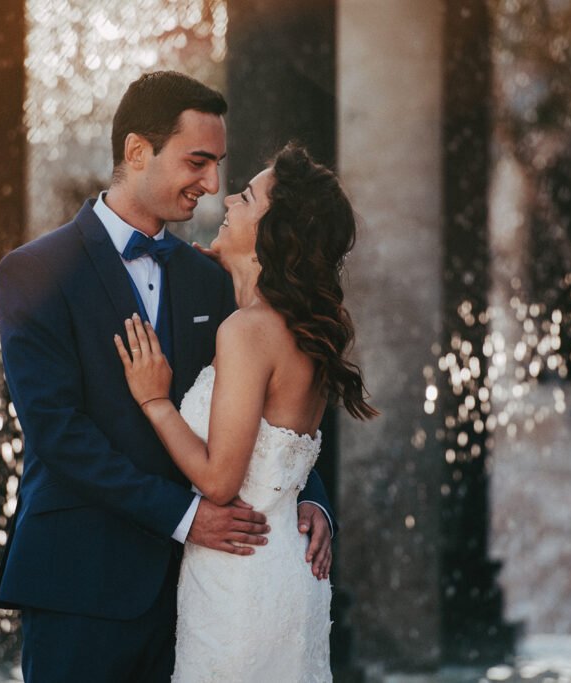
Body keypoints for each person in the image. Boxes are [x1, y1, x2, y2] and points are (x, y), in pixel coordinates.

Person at [0, 71, 336, 682]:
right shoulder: (33, 273)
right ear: (137, 151)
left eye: (220, 165)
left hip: (200, 593)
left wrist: (307, 501)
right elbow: (57, 434)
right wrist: (184, 516)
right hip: (81, 585)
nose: (213, 184)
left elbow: (269, 405)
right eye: (198, 161)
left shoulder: (210, 278)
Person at [115, 142, 377, 682]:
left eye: (248, 196)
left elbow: (219, 480)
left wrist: (155, 400)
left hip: (238, 583)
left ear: (274, 231)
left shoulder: (247, 333)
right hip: (284, 571)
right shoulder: (298, 330)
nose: (229, 198)